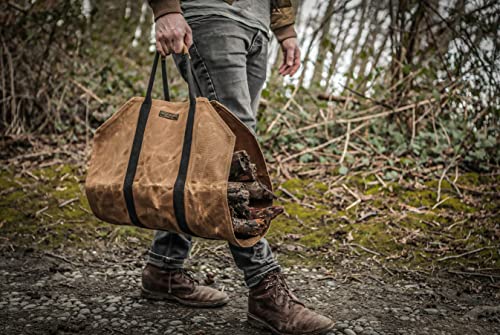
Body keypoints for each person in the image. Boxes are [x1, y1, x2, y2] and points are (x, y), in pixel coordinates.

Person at [142, 1, 334, 334]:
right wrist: (165, 8)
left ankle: (164, 267)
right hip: (212, 13)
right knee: (238, 150)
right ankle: (264, 288)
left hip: (257, 25)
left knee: (212, 152)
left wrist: (284, 28)